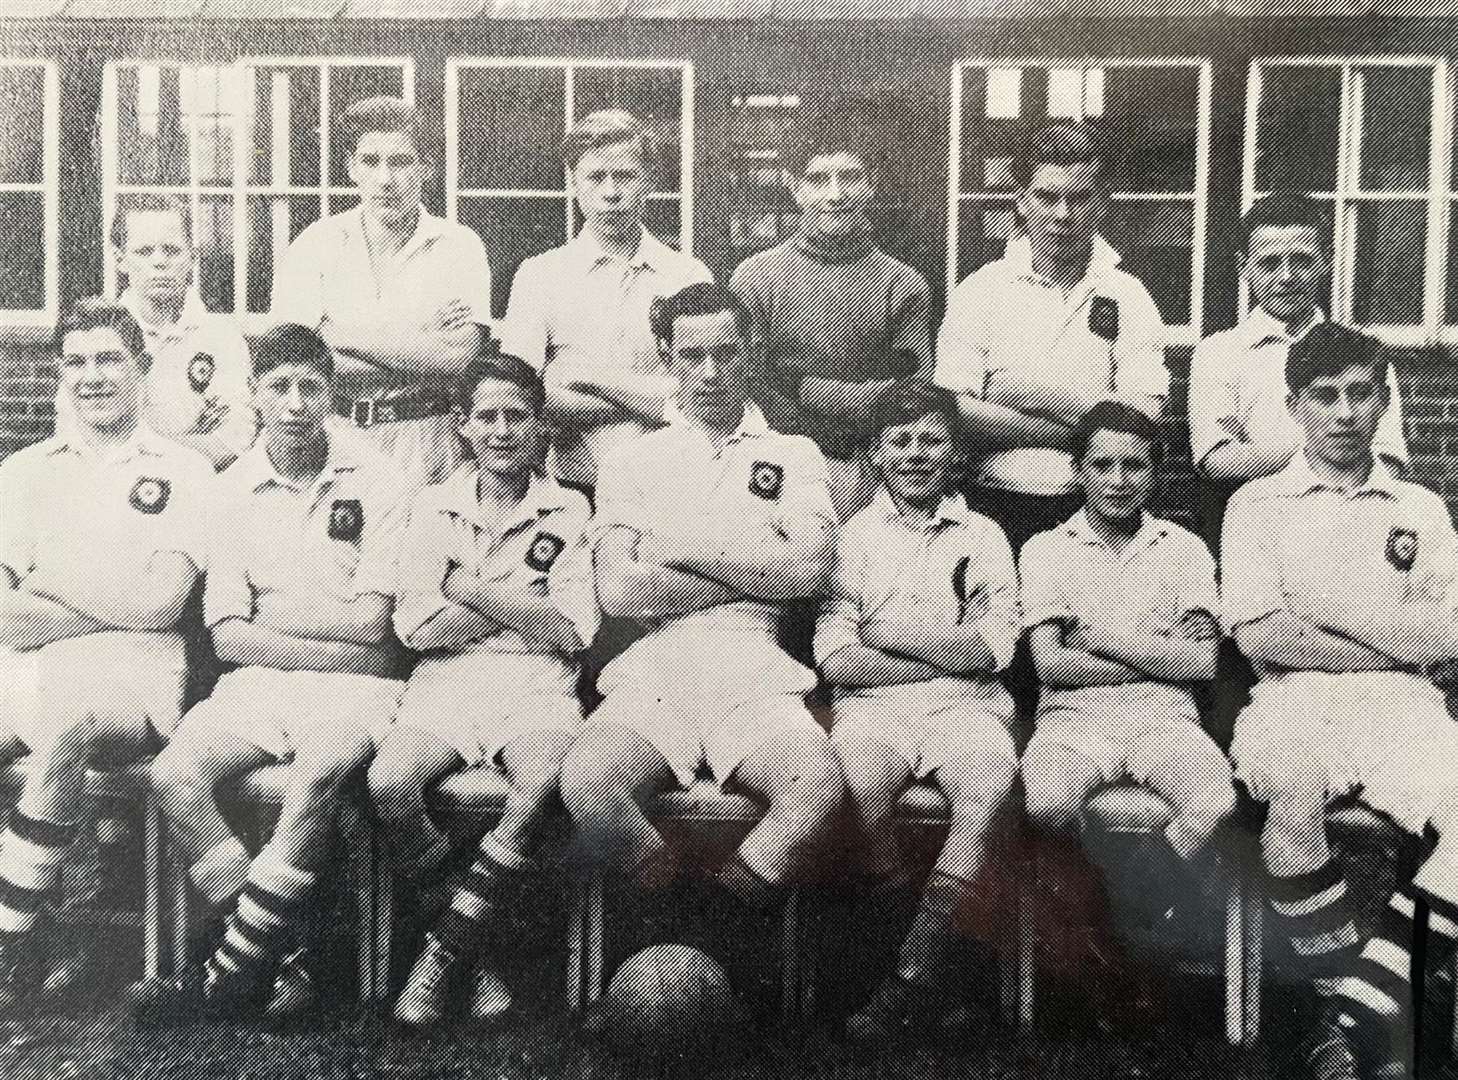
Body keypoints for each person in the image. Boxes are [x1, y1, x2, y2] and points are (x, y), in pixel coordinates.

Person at [558, 282, 844, 1008]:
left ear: (749, 351)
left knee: (815, 787)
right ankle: (678, 917)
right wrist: (754, 567)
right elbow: (621, 593)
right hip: (659, 660)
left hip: (755, 663)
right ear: (667, 360)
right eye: (693, 356)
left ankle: (708, 935)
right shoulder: (634, 461)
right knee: (589, 782)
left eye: (725, 352)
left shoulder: (793, 451)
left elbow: (807, 572)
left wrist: (678, 547)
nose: (711, 372)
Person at [131, 323, 410, 1021]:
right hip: (265, 684)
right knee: (173, 774)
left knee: (319, 770)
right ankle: (277, 953)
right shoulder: (228, 490)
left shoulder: (380, 479)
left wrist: (278, 620)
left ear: (332, 394)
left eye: (310, 387)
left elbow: (379, 623)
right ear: (254, 395)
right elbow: (227, 636)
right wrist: (334, 635)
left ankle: (226, 978)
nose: (294, 404)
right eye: (278, 387)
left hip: (359, 690)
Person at [1222, 322, 1458, 1079]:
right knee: (1290, 794)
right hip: (1295, 700)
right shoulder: (1257, 504)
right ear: (1294, 406)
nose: (1345, 412)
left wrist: (1325, 608)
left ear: (1384, 400)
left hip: (1402, 705)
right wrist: (1395, 631)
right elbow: (1264, 638)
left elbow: (1449, 634)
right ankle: (1351, 1002)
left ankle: (1350, 1016)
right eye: (1325, 396)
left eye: (1362, 394)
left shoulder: (1419, 507)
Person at [368, 349, 595, 1027]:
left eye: (516, 416)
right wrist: (521, 604)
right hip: (445, 683)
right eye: (486, 416)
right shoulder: (432, 506)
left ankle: (439, 959)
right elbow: (414, 626)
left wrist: (464, 587)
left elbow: (574, 629)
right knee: (388, 784)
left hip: (536, 686)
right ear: (461, 425)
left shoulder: (569, 508)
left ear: (540, 426)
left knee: (542, 782)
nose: (501, 431)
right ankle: (478, 954)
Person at [0, 299, 213, 1007]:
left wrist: (50, 584)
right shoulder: (23, 471)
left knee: (69, 726)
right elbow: (3, 615)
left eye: (109, 359)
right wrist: (107, 602)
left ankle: (12, 942)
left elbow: (161, 606)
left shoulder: (184, 470)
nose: (92, 377)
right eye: (76, 363)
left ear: (143, 368)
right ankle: (53, 931)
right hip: (29, 665)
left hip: (136, 676)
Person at [815, 379, 1019, 1042]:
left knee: (987, 792)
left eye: (931, 440)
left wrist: (889, 635)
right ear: (876, 453)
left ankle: (907, 980)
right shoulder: (851, 539)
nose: (915, 454)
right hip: (873, 708)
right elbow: (839, 660)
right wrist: (944, 653)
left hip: (966, 707)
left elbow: (994, 647)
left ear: (955, 452)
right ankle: (924, 964)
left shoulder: (984, 535)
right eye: (899, 441)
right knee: (859, 786)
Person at [1019, 401, 1234, 935]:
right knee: (1045, 804)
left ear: (1155, 475)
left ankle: (1122, 913)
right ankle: (1109, 923)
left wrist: (1098, 640)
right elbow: (1050, 664)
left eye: (1134, 466)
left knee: (1215, 802)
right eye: (1101, 465)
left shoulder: (1183, 549)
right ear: (1076, 472)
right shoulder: (1046, 550)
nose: (1118, 481)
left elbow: (1204, 662)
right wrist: (1160, 654)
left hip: (1166, 720)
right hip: (1074, 721)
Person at [935, 120, 1168, 551]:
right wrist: (1085, 428)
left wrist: (1024, 394)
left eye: (1079, 199)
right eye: (1047, 197)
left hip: (1097, 507)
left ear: (1101, 204)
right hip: (992, 503)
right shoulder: (981, 290)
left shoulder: (1127, 294)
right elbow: (955, 410)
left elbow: (1143, 418)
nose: (1063, 215)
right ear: (1022, 202)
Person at [270, 97, 493, 488]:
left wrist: (337, 335)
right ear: (351, 168)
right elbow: (296, 366)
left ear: (426, 167)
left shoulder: (458, 245)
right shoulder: (316, 244)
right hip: (337, 437)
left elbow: (459, 358)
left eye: (401, 162)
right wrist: (421, 345)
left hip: (429, 437)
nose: (385, 179)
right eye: (371, 162)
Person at [730, 113, 932, 520]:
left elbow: (910, 394)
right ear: (793, 186)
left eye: (850, 177)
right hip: (778, 461)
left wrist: (800, 383)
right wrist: (833, 420)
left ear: (871, 183)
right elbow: (750, 383)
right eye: (818, 179)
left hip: (872, 468)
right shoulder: (756, 277)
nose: (835, 194)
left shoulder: (903, 283)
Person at [502, 110, 712, 494]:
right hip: (575, 491)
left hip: (671, 487)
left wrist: (591, 384)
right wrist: (651, 399)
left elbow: (702, 396)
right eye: (596, 177)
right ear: (573, 183)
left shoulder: (687, 276)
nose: (611, 192)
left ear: (649, 180)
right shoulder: (540, 276)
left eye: (625, 176)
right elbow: (520, 397)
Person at [1189, 193, 1408, 546]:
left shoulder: (1363, 353)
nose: (1287, 276)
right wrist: (1332, 451)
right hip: (1258, 534)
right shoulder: (1220, 353)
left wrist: (1264, 455)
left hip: (1352, 531)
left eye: (1302, 261)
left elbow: (1388, 460)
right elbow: (1218, 461)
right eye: (1270, 263)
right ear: (1244, 267)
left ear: (1325, 262)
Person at [56, 195, 255, 469]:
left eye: (172, 250)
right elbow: (77, 436)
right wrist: (191, 437)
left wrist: (138, 444)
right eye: (144, 251)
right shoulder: (97, 336)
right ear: (120, 259)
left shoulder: (222, 338)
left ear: (192, 258)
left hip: (197, 491)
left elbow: (235, 440)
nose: (160, 262)